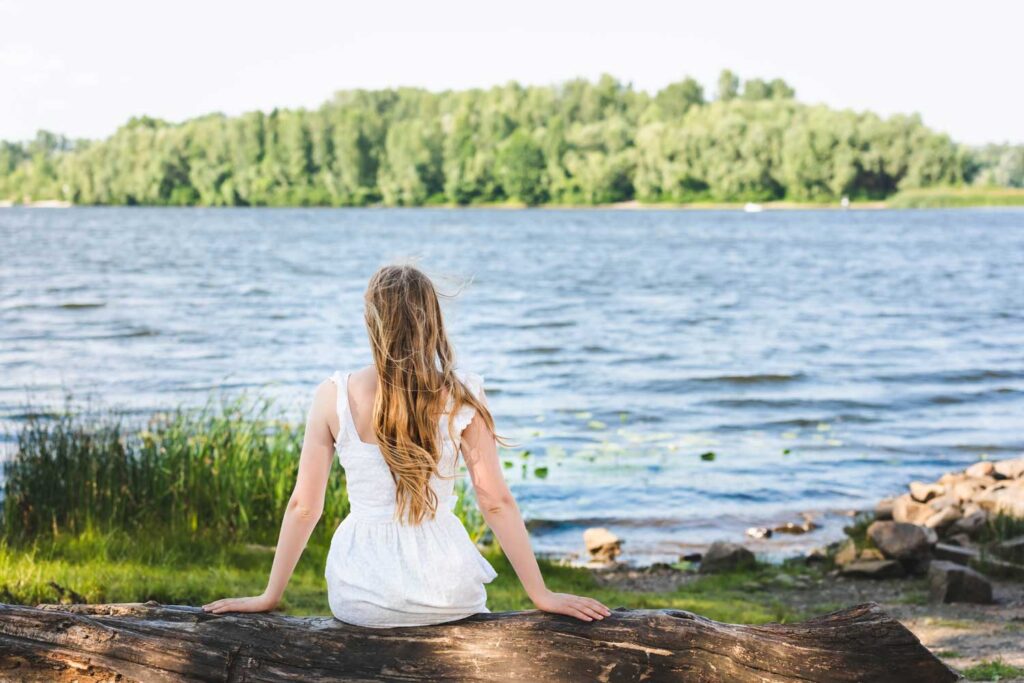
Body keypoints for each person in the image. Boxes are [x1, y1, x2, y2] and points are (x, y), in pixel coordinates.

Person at [203, 265, 610, 626]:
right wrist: (541, 595)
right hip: (445, 593)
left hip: (361, 592)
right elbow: (496, 501)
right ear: (433, 321)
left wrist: (269, 596)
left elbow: (305, 507)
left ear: (370, 321)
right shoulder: (462, 394)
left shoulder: (334, 395)